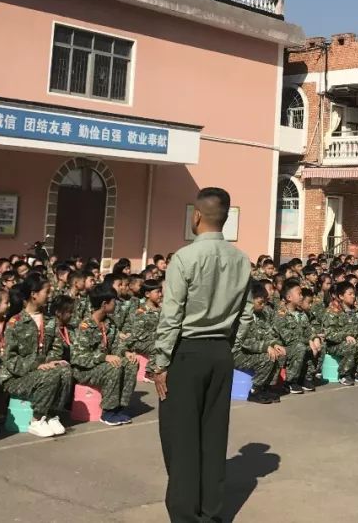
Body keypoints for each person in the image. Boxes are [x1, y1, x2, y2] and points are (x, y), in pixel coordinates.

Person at [152, 187, 255, 523]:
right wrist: (230, 348)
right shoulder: (241, 259)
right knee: (214, 435)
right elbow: (247, 313)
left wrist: (160, 363)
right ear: (224, 218)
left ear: (197, 216)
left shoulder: (184, 258)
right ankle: (211, 513)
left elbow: (171, 316)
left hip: (187, 352)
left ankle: (185, 515)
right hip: (220, 352)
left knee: (181, 438)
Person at [1, 275, 72, 438]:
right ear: (34, 294)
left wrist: (50, 362)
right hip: (17, 376)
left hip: (42, 370)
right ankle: (36, 419)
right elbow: (10, 359)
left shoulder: (50, 320)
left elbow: (56, 347)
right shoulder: (16, 322)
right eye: (46, 292)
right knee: (51, 375)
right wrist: (37, 365)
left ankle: (53, 414)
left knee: (65, 369)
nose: (49, 296)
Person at [71, 284, 138, 426]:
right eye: (113, 301)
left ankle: (120, 406)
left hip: (102, 366)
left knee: (131, 363)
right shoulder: (86, 326)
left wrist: (125, 352)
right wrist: (104, 357)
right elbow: (78, 357)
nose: (116, 304)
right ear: (104, 304)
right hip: (85, 369)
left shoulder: (109, 323)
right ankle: (108, 411)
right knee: (113, 367)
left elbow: (116, 345)